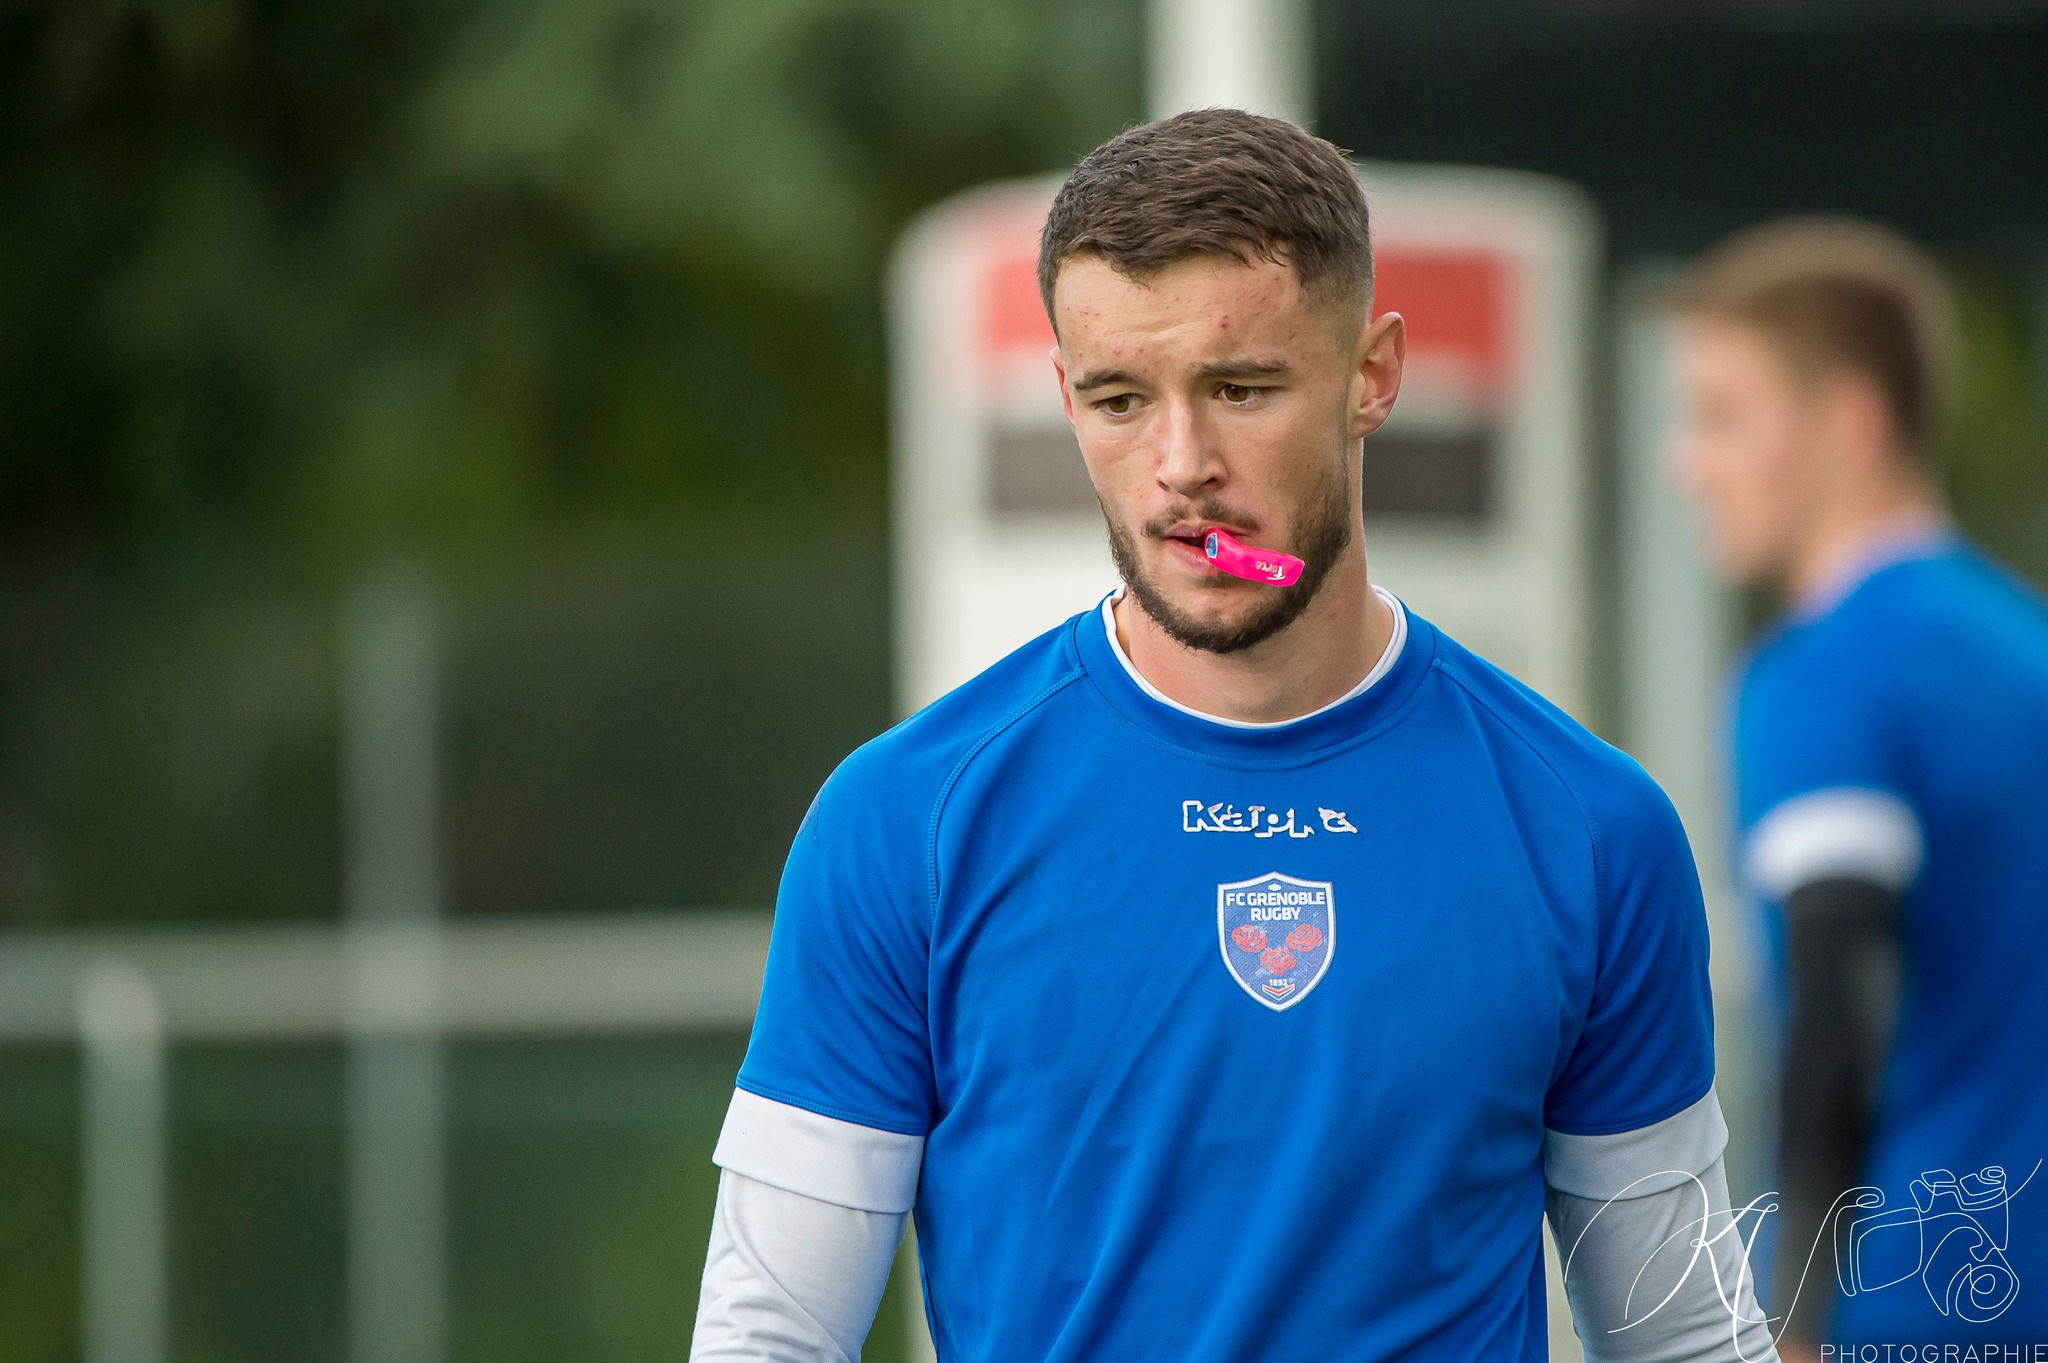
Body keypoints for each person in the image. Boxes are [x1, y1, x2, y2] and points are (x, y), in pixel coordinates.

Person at [693, 109, 1773, 1362]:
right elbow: (768, 1337)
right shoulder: (902, 823)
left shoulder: (1590, 829)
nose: (1178, 467)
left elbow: (1683, 1335)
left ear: (1371, 375)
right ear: (1063, 396)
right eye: (1116, 399)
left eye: (1239, 388)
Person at [1671, 218, 2048, 1358]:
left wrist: (1790, 1316)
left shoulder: (1822, 670)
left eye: (1722, 416)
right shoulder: (2021, 648)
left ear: (1848, 421)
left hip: (1903, 1300)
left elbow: (1841, 992)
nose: (1685, 461)